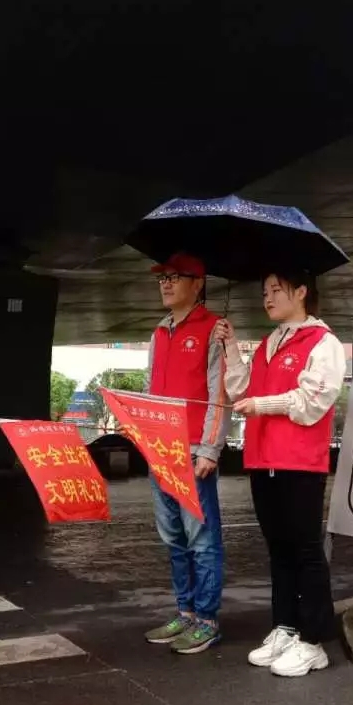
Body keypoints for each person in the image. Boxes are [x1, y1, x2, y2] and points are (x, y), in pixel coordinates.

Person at [214, 269, 346, 677]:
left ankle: (313, 641)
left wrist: (262, 405)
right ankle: (286, 627)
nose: (268, 298)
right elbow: (242, 390)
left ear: (302, 291)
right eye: (264, 291)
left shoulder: (323, 342)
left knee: (306, 550)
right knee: (279, 550)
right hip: (262, 460)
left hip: (299, 462)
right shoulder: (269, 344)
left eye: (276, 290)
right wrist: (230, 347)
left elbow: (312, 401)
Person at [140, 251, 229, 654]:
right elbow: (149, 391)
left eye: (176, 277)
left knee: (202, 538)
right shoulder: (159, 333)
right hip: (160, 450)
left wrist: (210, 449)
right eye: (163, 277)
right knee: (174, 537)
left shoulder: (214, 330)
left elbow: (219, 395)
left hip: (193, 451)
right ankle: (185, 612)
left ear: (198, 283)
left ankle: (207, 619)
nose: (166, 283)